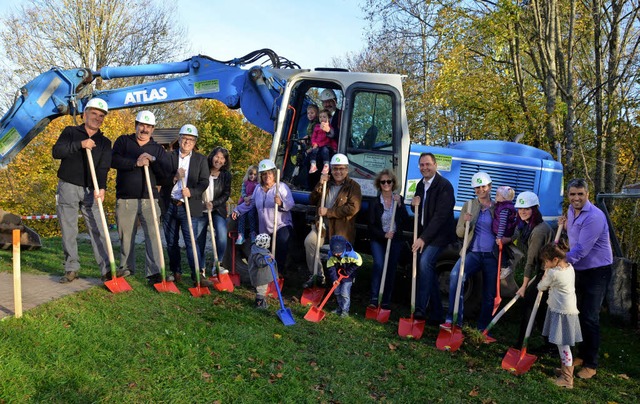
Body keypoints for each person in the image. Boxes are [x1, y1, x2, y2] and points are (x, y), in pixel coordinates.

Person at [52, 97, 118, 283]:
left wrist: (102, 188)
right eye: (94, 113)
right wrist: (80, 145)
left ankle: (107, 270)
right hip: (68, 185)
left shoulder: (105, 142)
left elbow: (104, 167)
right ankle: (71, 268)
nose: (97, 118)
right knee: (69, 228)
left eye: (101, 116)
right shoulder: (71, 132)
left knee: (98, 228)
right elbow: (57, 152)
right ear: (85, 114)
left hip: (92, 189)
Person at [558, 178, 613, 380]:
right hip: (579, 269)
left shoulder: (595, 217)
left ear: (587, 194)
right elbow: (574, 236)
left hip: (597, 270)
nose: (576, 198)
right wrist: (564, 227)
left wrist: (559, 260)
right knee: (578, 312)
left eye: (580, 194)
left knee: (590, 316)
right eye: (572, 194)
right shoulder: (571, 212)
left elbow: (581, 249)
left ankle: (591, 363)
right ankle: (581, 354)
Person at [111, 110, 171, 285]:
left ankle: (154, 272)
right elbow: (112, 160)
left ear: (153, 129)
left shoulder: (157, 150)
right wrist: (134, 163)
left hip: (149, 199)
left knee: (153, 235)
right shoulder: (123, 142)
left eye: (149, 127)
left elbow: (165, 176)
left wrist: (153, 160)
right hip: (126, 198)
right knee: (126, 235)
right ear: (136, 125)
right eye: (142, 125)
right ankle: (126, 268)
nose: (145, 129)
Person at [441, 171, 498, 332]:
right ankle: (453, 319)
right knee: (455, 277)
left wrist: (506, 239)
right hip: (472, 253)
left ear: (490, 187)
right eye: (477, 188)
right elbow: (459, 232)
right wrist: (466, 223)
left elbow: (510, 230)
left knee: (489, 294)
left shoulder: (498, 207)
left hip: (491, 256)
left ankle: (483, 328)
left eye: (483, 186)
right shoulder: (469, 205)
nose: (481, 190)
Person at [160, 124, 211, 286]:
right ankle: (176, 272)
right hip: (169, 204)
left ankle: (197, 275)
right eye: (184, 138)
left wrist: (193, 192)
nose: (187, 142)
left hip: (191, 204)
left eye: (191, 139)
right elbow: (160, 178)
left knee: (191, 242)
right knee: (171, 242)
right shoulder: (168, 157)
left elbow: (204, 182)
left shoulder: (201, 160)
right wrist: (175, 177)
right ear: (179, 139)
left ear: (195, 142)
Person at [303, 153, 362, 288]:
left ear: (346, 170)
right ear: (331, 169)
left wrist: (328, 212)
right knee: (309, 242)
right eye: (335, 168)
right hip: (322, 227)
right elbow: (312, 200)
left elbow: (353, 208)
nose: (338, 172)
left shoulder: (353, 187)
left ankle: (341, 285)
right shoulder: (326, 183)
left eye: (341, 168)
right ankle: (317, 275)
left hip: (341, 230)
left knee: (340, 255)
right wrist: (320, 184)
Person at [410, 152, 456, 324]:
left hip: (440, 235)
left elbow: (440, 216)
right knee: (426, 270)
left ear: (435, 165)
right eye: (422, 165)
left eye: (428, 164)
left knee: (424, 264)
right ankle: (437, 313)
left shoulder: (445, 186)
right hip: (426, 232)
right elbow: (419, 211)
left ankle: (421, 309)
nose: (424, 167)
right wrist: (414, 205)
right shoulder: (421, 185)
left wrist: (423, 238)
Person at [232, 159, 295, 273]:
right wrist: (237, 210)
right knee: (263, 251)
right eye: (264, 174)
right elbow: (250, 204)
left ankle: (279, 272)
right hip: (264, 228)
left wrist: (281, 203)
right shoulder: (258, 189)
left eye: (269, 173)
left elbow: (290, 204)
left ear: (274, 174)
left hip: (281, 225)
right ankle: (266, 274)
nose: (267, 176)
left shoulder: (281, 187)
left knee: (281, 241)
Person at [511, 191, 554, 349]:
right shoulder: (529, 225)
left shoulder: (538, 231)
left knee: (530, 304)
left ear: (534, 209)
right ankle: (550, 345)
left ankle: (521, 344)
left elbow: (531, 260)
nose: (522, 211)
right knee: (542, 309)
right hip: (543, 271)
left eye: (527, 208)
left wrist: (523, 286)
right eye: (520, 208)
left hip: (549, 273)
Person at [537, 241, 583, 389]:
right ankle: (564, 370)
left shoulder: (554, 273)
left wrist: (546, 275)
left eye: (546, 261)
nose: (545, 264)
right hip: (568, 310)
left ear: (555, 260)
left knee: (563, 345)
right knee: (562, 344)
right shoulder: (569, 268)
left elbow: (541, 287)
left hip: (562, 312)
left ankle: (567, 378)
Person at [367, 169, 409, 310]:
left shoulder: (398, 199)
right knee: (379, 265)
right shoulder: (374, 202)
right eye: (383, 182)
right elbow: (371, 225)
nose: (386, 184)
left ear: (393, 183)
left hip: (395, 239)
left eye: (388, 181)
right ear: (379, 184)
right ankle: (374, 298)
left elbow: (405, 219)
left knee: (391, 268)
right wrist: (383, 235)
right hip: (379, 239)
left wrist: (400, 205)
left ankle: (385, 301)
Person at [196, 146, 232, 276]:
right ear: (212, 156)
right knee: (199, 238)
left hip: (217, 209)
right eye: (217, 156)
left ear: (225, 161)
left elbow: (226, 194)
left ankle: (218, 264)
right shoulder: (202, 170)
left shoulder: (226, 175)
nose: (219, 160)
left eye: (222, 158)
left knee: (222, 235)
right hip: (201, 208)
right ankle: (201, 268)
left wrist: (213, 204)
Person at [326, 235, 362, 317]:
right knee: (337, 291)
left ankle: (345, 311)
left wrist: (348, 272)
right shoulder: (331, 255)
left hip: (348, 276)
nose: (336, 254)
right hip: (337, 274)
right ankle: (340, 308)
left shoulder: (351, 254)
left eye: (338, 252)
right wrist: (334, 278)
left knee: (344, 292)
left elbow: (359, 262)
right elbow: (330, 266)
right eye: (334, 252)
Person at [493, 185, 517, 278]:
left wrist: (499, 237)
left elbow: (502, 224)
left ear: (503, 197)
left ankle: (505, 267)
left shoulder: (504, 209)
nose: (496, 196)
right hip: (503, 233)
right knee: (502, 250)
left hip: (503, 233)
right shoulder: (502, 206)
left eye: (497, 195)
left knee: (496, 249)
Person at [248, 233, 276, 309]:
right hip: (260, 277)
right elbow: (260, 263)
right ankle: (259, 305)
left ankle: (263, 303)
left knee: (263, 290)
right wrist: (269, 258)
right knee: (261, 291)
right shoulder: (258, 254)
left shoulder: (257, 249)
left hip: (262, 276)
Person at [308, 109, 338, 175]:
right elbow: (313, 137)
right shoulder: (316, 127)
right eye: (320, 117)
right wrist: (313, 143)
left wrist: (334, 148)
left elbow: (332, 138)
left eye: (324, 117)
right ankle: (313, 165)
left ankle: (326, 165)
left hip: (325, 145)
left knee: (325, 151)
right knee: (314, 151)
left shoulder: (330, 128)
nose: (322, 118)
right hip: (318, 145)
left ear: (329, 118)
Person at [236, 164, 259, 245]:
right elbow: (243, 191)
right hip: (245, 202)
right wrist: (245, 197)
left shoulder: (257, 184)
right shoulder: (245, 183)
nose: (252, 176)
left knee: (251, 215)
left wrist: (250, 198)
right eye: (250, 174)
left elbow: (257, 193)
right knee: (241, 216)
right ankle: (240, 234)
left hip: (252, 202)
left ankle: (253, 233)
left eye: (255, 174)